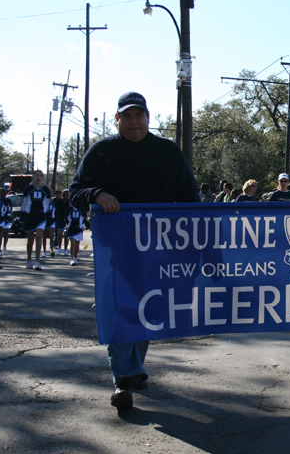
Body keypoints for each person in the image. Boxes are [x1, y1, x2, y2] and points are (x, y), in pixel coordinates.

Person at [69, 91, 200, 410]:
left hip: (160, 250)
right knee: (119, 306)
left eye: (139, 115)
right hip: (115, 247)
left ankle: (134, 369)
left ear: (148, 118)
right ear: (117, 120)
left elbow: (190, 199)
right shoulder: (101, 152)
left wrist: (197, 243)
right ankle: (122, 378)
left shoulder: (168, 151)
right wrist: (98, 194)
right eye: (126, 116)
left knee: (148, 309)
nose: (133, 121)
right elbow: (75, 192)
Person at [22, 170, 52, 270]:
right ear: (33, 177)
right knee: (30, 240)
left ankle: (37, 261)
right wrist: (23, 215)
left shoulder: (46, 190)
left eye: (40, 176)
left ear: (42, 178)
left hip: (41, 217)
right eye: (36, 175)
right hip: (30, 216)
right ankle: (29, 259)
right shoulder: (28, 189)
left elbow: (47, 204)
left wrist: (47, 214)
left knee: (39, 236)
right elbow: (25, 202)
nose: (38, 178)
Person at [64, 201, 84, 266]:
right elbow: (66, 217)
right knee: (73, 243)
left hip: (79, 229)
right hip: (71, 228)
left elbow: (83, 218)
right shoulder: (69, 209)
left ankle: (75, 257)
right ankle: (72, 258)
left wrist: (82, 226)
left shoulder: (81, 209)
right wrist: (68, 224)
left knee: (77, 244)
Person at [53, 190, 70, 256]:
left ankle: (65, 249)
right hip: (60, 219)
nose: (65, 196)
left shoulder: (69, 202)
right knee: (59, 233)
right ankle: (59, 247)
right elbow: (56, 210)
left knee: (66, 235)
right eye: (64, 194)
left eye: (67, 194)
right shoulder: (59, 202)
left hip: (67, 220)